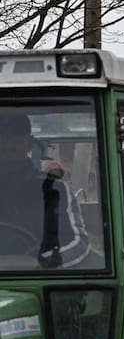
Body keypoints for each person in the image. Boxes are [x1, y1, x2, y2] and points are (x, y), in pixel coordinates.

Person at [0, 112, 90, 268]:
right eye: (1, 138)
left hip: (39, 280)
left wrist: (40, 266)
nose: (7, 145)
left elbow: (77, 243)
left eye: (15, 138)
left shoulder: (55, 189)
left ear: (28, 143)